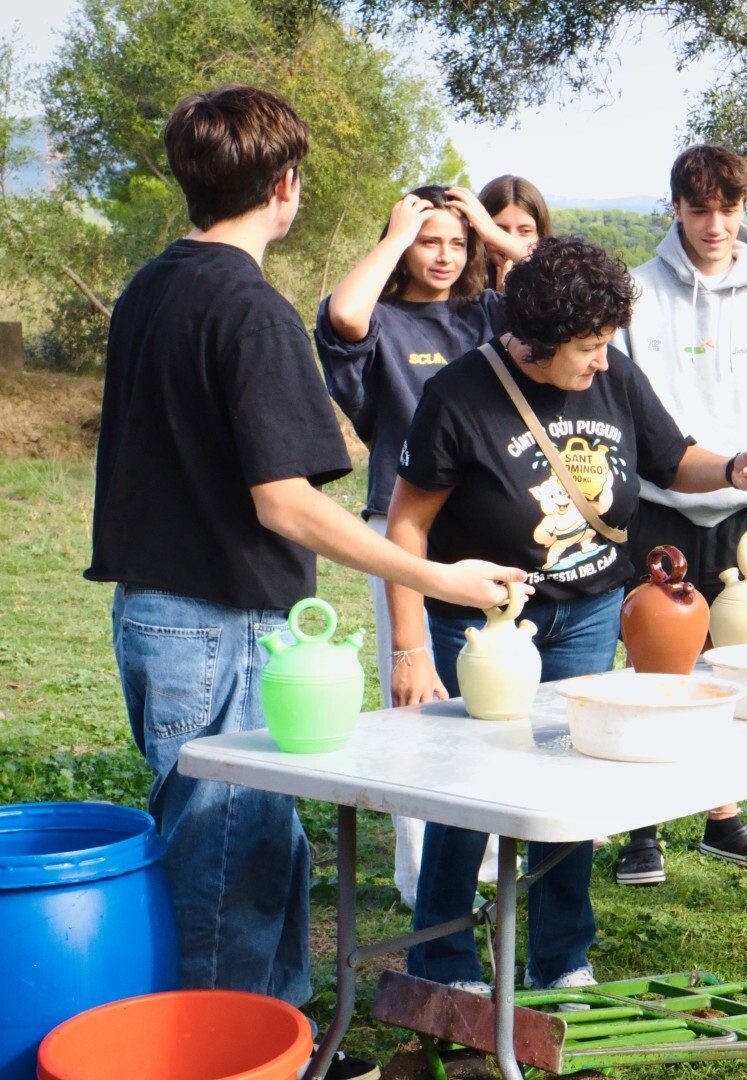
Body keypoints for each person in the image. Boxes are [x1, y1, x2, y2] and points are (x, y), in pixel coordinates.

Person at [86, 86, 525, 1073]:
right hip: (213, 623)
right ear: (285, 186)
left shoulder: (151, 287)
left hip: (171, 615)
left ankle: (290, 1051)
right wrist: (435, 577)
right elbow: (286, 502)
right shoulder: (247, 307)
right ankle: (224, 1057)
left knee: (267, 848)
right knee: (225, 860)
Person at [386, 235, 747, 994]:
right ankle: (443, 960)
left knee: (567, 786)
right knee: (464, 794)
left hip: (591, 613)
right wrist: (410, 648)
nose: (602, 361)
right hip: (482, 629)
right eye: (589, 347)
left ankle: (561, 955)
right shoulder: (460, 395)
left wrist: (731, 468)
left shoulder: (616, 378)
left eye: (608, 344)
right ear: (537, 339)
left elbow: (674, 459)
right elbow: (406, 531)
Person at [316, 185, 529, 909]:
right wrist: (394, 230)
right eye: (427, 239)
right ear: (402, 243)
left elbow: (554, 284)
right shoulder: (378, 321)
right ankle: (417, 872)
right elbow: (344, 314)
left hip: (484, 527)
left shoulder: (486, 315)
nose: (444, 255)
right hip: (400, 526)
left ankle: (492, 859)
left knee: (495, 691)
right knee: (414, 696)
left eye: (456, 242)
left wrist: (492, 234)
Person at [611, 144, 747, 887]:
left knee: (735, 668)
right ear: (676, 210)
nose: (715, 225)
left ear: (744, 209)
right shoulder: (636, 294)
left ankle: (723, 820)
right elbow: (622, 414)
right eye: (700, 211)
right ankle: (642, 829)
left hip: (745, 509)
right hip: (658, 508)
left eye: (728, 210)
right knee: (653, 668)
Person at [479, 174, 553, 291]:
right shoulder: (456, 288)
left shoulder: (554, 290)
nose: (512, 240)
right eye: (500, 230)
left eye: (525, 231)